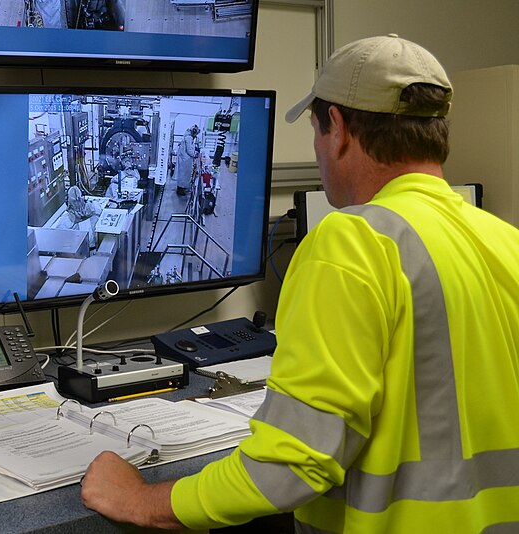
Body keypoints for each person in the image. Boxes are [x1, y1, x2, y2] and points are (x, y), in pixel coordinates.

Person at [80, 34, 519, 532]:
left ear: (338, 128)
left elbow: (288, 468)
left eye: (314, 130)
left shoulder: (353, 242)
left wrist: (140, 500)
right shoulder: (507, 242)